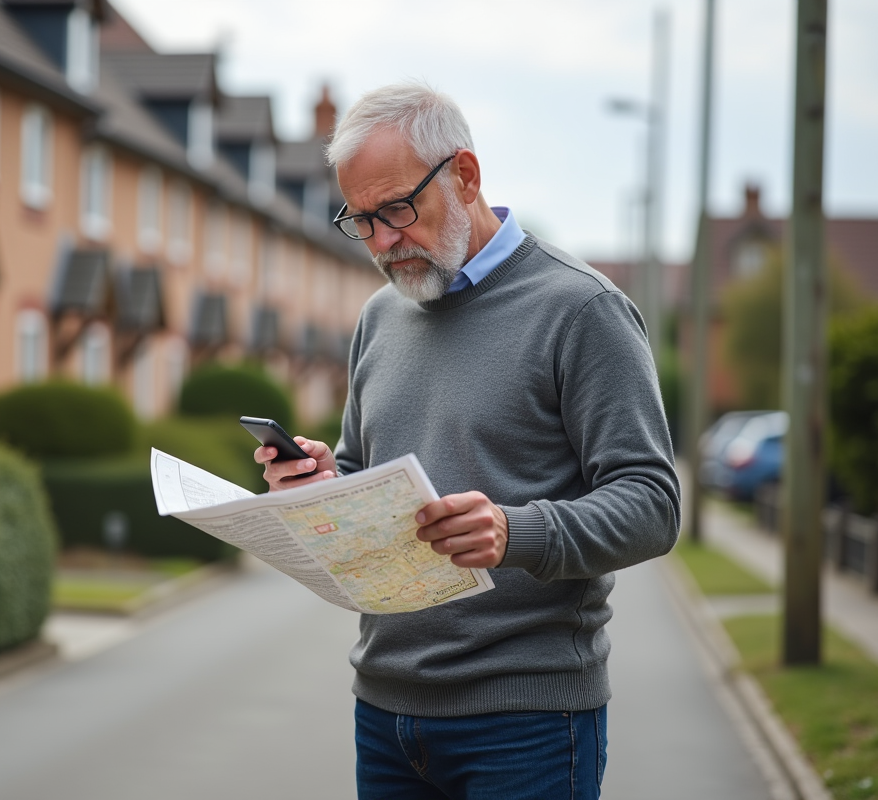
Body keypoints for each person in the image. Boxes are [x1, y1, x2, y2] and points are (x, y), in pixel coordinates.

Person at [253, 82, 681, 799]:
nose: (383, 242)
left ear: (467, 175)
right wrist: (327, 482)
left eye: (397, 209)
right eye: (361, 221)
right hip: (385, 711)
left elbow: (653, 503)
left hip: (529, 722)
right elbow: (371, 475)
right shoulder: (381, 318)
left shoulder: (582, 311)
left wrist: (516, 531)